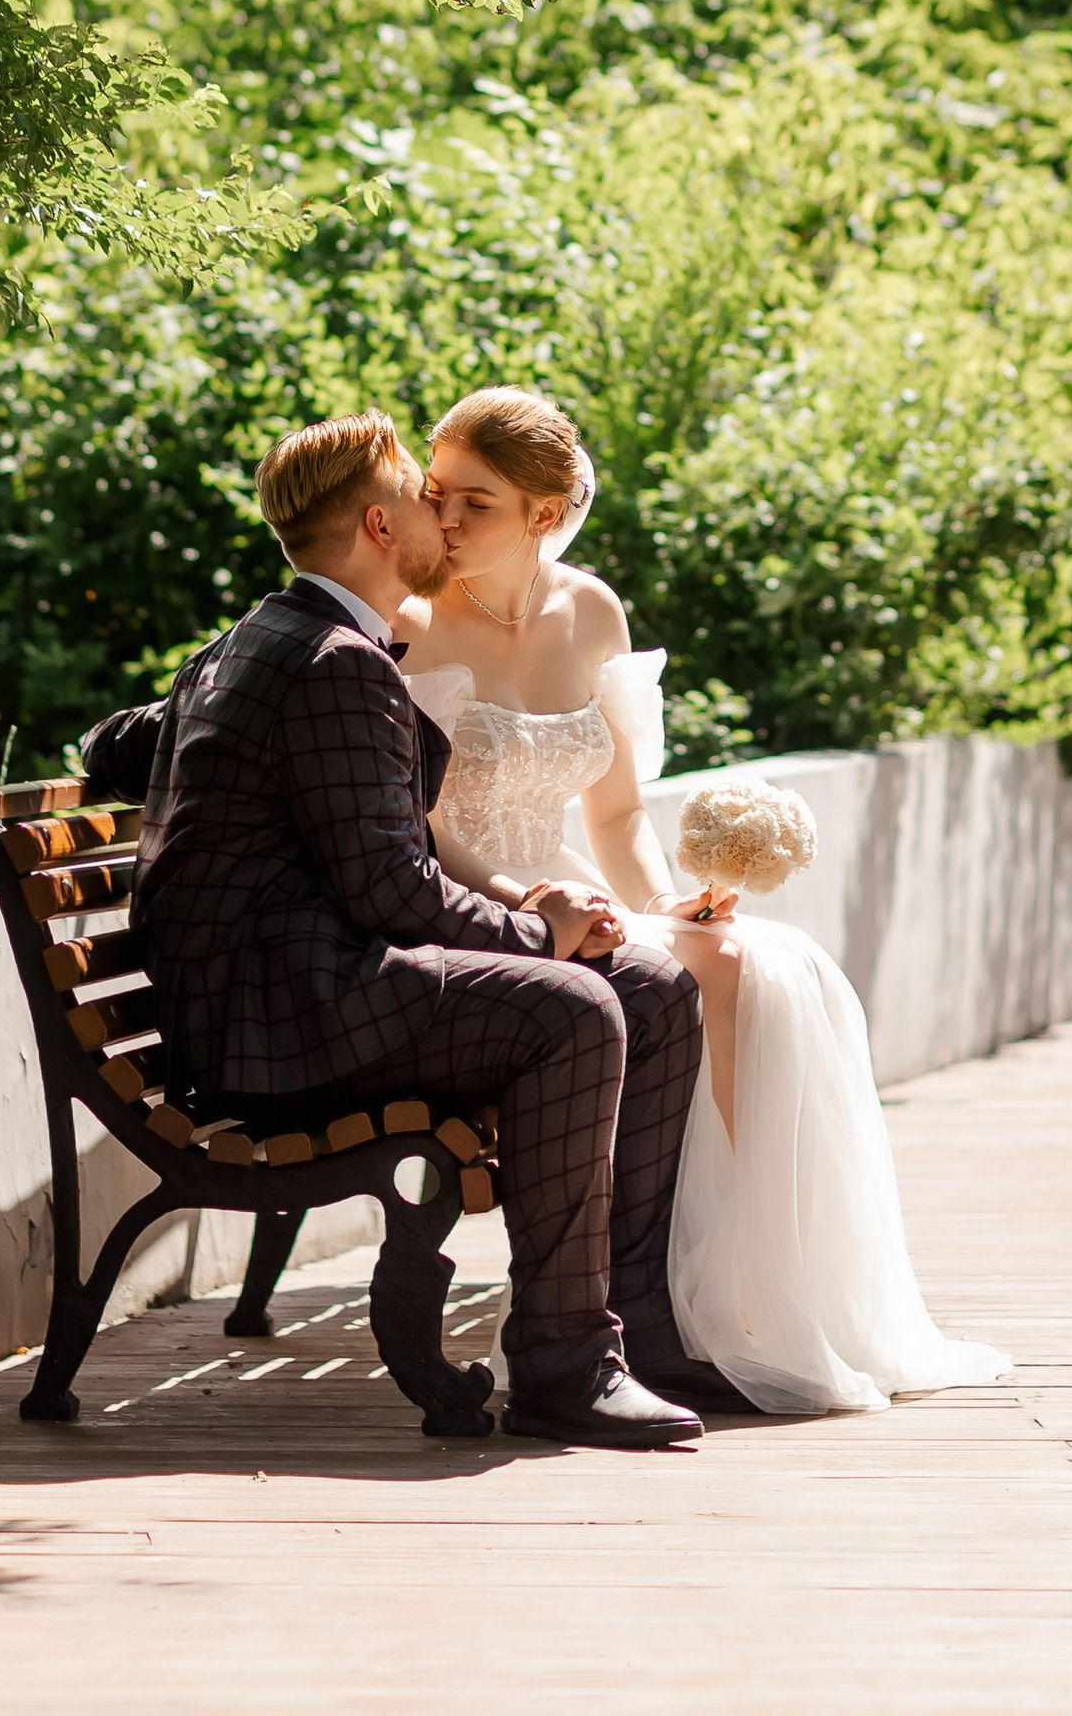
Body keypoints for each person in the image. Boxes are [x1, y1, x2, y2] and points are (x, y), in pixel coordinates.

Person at [79, 412, 733, 1450]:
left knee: (651, 989)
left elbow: (120, 739)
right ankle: (565, 1363)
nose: (441, 510)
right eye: (424, 496)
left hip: (282, 991)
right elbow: (392, 890)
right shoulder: (329, 659)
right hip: (279, 1022)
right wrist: (541, 931)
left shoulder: (275, 637)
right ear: (382, 526)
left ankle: (635, 1329)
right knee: (572, 1007)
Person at [405, 385, 1009, 1418]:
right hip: (482, 913)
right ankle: (665, 1303)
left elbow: (616, 813)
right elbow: (415, 823)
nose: (445, 523)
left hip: (580, 894)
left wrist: (669, 903)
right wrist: (540, 907)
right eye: (437, 495)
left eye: (477, 503)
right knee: (722, 978)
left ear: (546, 513)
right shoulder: (416, 624)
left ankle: (729, 1291)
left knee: (761, 962)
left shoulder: (589, 611)